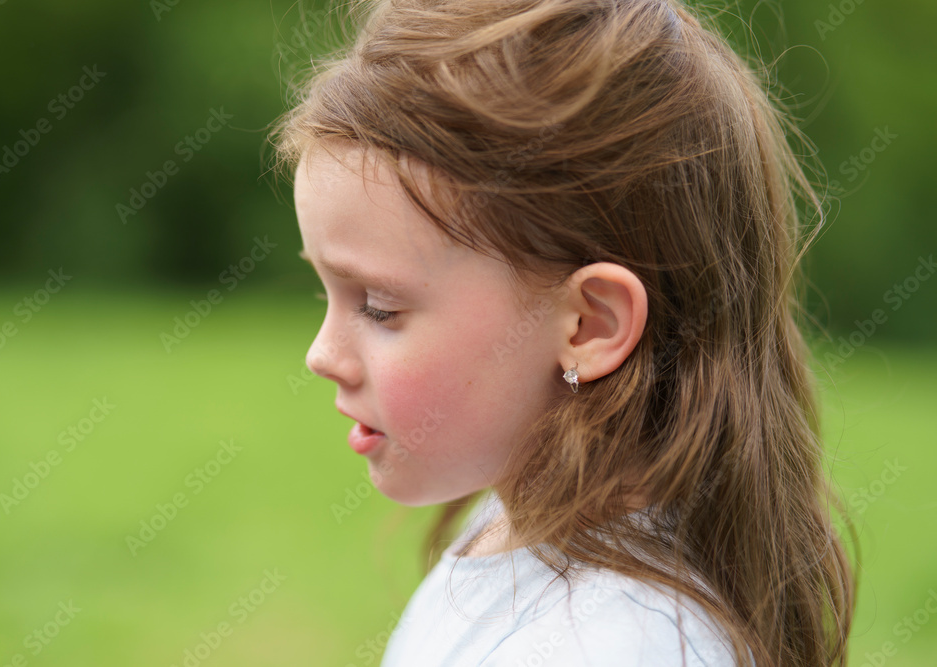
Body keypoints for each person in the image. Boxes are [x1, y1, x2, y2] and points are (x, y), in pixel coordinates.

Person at [267, 0, 856, 665]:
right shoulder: (511, 526)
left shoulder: (619, 643)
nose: (322, 355)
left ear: (591, 324)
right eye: (326, 292)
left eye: (378, 306)